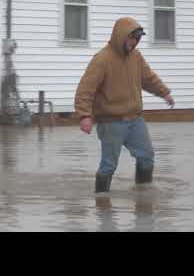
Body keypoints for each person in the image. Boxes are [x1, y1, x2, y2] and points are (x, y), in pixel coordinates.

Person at [74, 17, 175, 193]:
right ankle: (102, 203)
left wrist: (164, 92)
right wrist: (85, 116)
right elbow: (85, 89)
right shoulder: (102, 59)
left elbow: (148, 78)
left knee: (147, 157)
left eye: (137, 39)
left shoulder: (136, 57)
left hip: (135, 120)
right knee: (109, 165)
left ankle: (143, 196)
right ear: (121, 36)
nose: (135, 42)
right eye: (132, 38)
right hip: (111, 122)